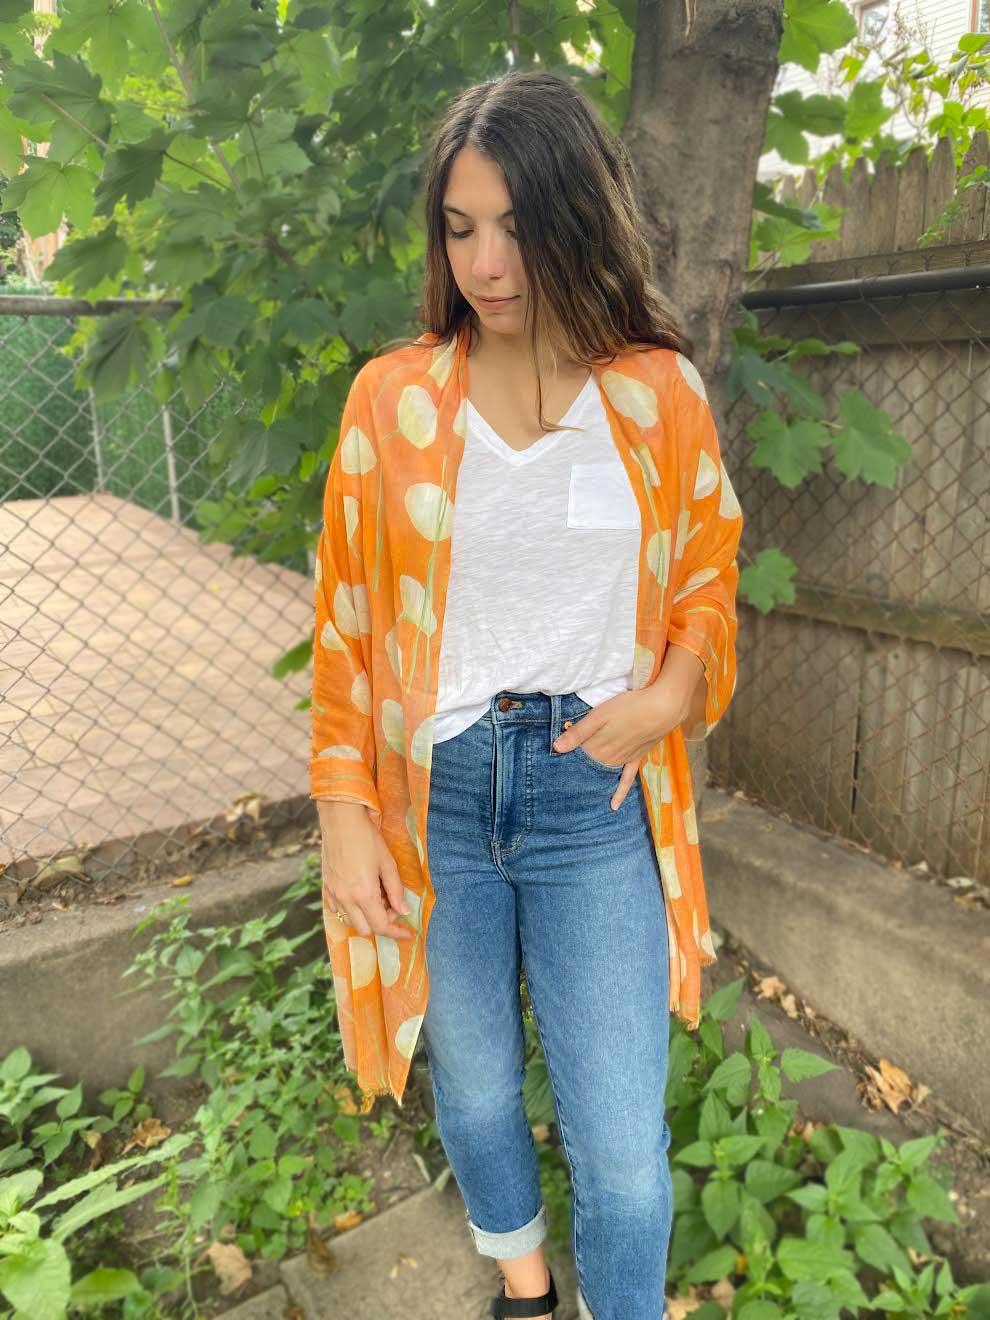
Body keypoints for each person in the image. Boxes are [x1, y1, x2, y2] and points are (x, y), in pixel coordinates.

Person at [311, 69, 742, 1320]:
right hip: (434, 801)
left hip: (589, 796)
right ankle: (525, 1289)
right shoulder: (394, 401)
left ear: (577, 215)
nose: (488, 263)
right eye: (461, 229)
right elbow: (344, 622)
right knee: (478, 1089)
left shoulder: (656, 397)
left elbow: (707, 574)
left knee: (622, 1148)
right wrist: (343, 811)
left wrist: (671, 691)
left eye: (515, 224)